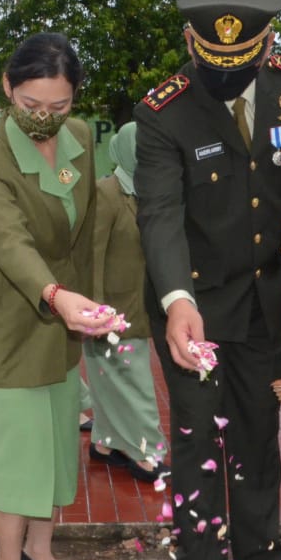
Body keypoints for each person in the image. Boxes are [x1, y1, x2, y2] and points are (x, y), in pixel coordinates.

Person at [134, 0, 281, 560]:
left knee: (257, 432)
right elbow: (160, 214)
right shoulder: (163, 109)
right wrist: (176, 301)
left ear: (266, 41)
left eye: (239, 64)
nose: (225, 76)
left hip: (262, 300)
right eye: (211, 62)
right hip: (191, 304)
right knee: (197, 438)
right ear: (192, 43)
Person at [0, 32, 123, 560]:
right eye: (30, 106)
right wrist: (56, 296)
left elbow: (88, 229)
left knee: (53, 440)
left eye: (59, 106)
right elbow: (6, 241)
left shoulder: (78, 137)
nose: (45, 119)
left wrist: (92, 302)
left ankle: (40, 551)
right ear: (7, 88)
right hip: (7, 318)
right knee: (16, 451)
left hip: (62, 314)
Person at [84, 121, 170, 483]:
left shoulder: (146, 192)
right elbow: (92, 254)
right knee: (133, 382)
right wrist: (96, 310)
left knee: (111, 377)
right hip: (111, 311)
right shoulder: (106, 193)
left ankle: (104, 443)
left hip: (139, 304)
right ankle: (147, 452)